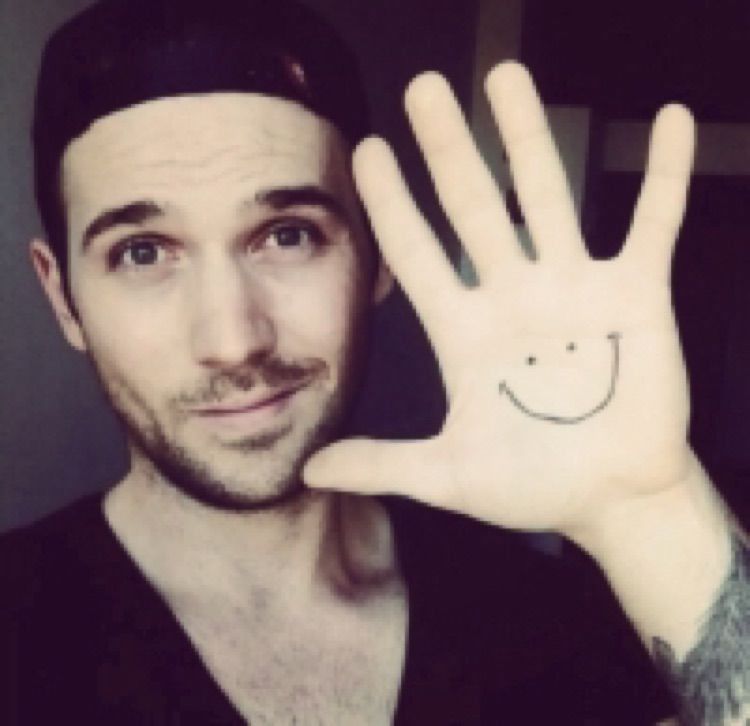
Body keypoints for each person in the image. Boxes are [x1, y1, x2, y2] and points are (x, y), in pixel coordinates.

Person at [1, 0, 747, 723]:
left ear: (377, 254)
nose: (233, 340)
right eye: (142, 253)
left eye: (287, 235)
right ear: (63, 297)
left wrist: (649, 511)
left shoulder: (541, 621)